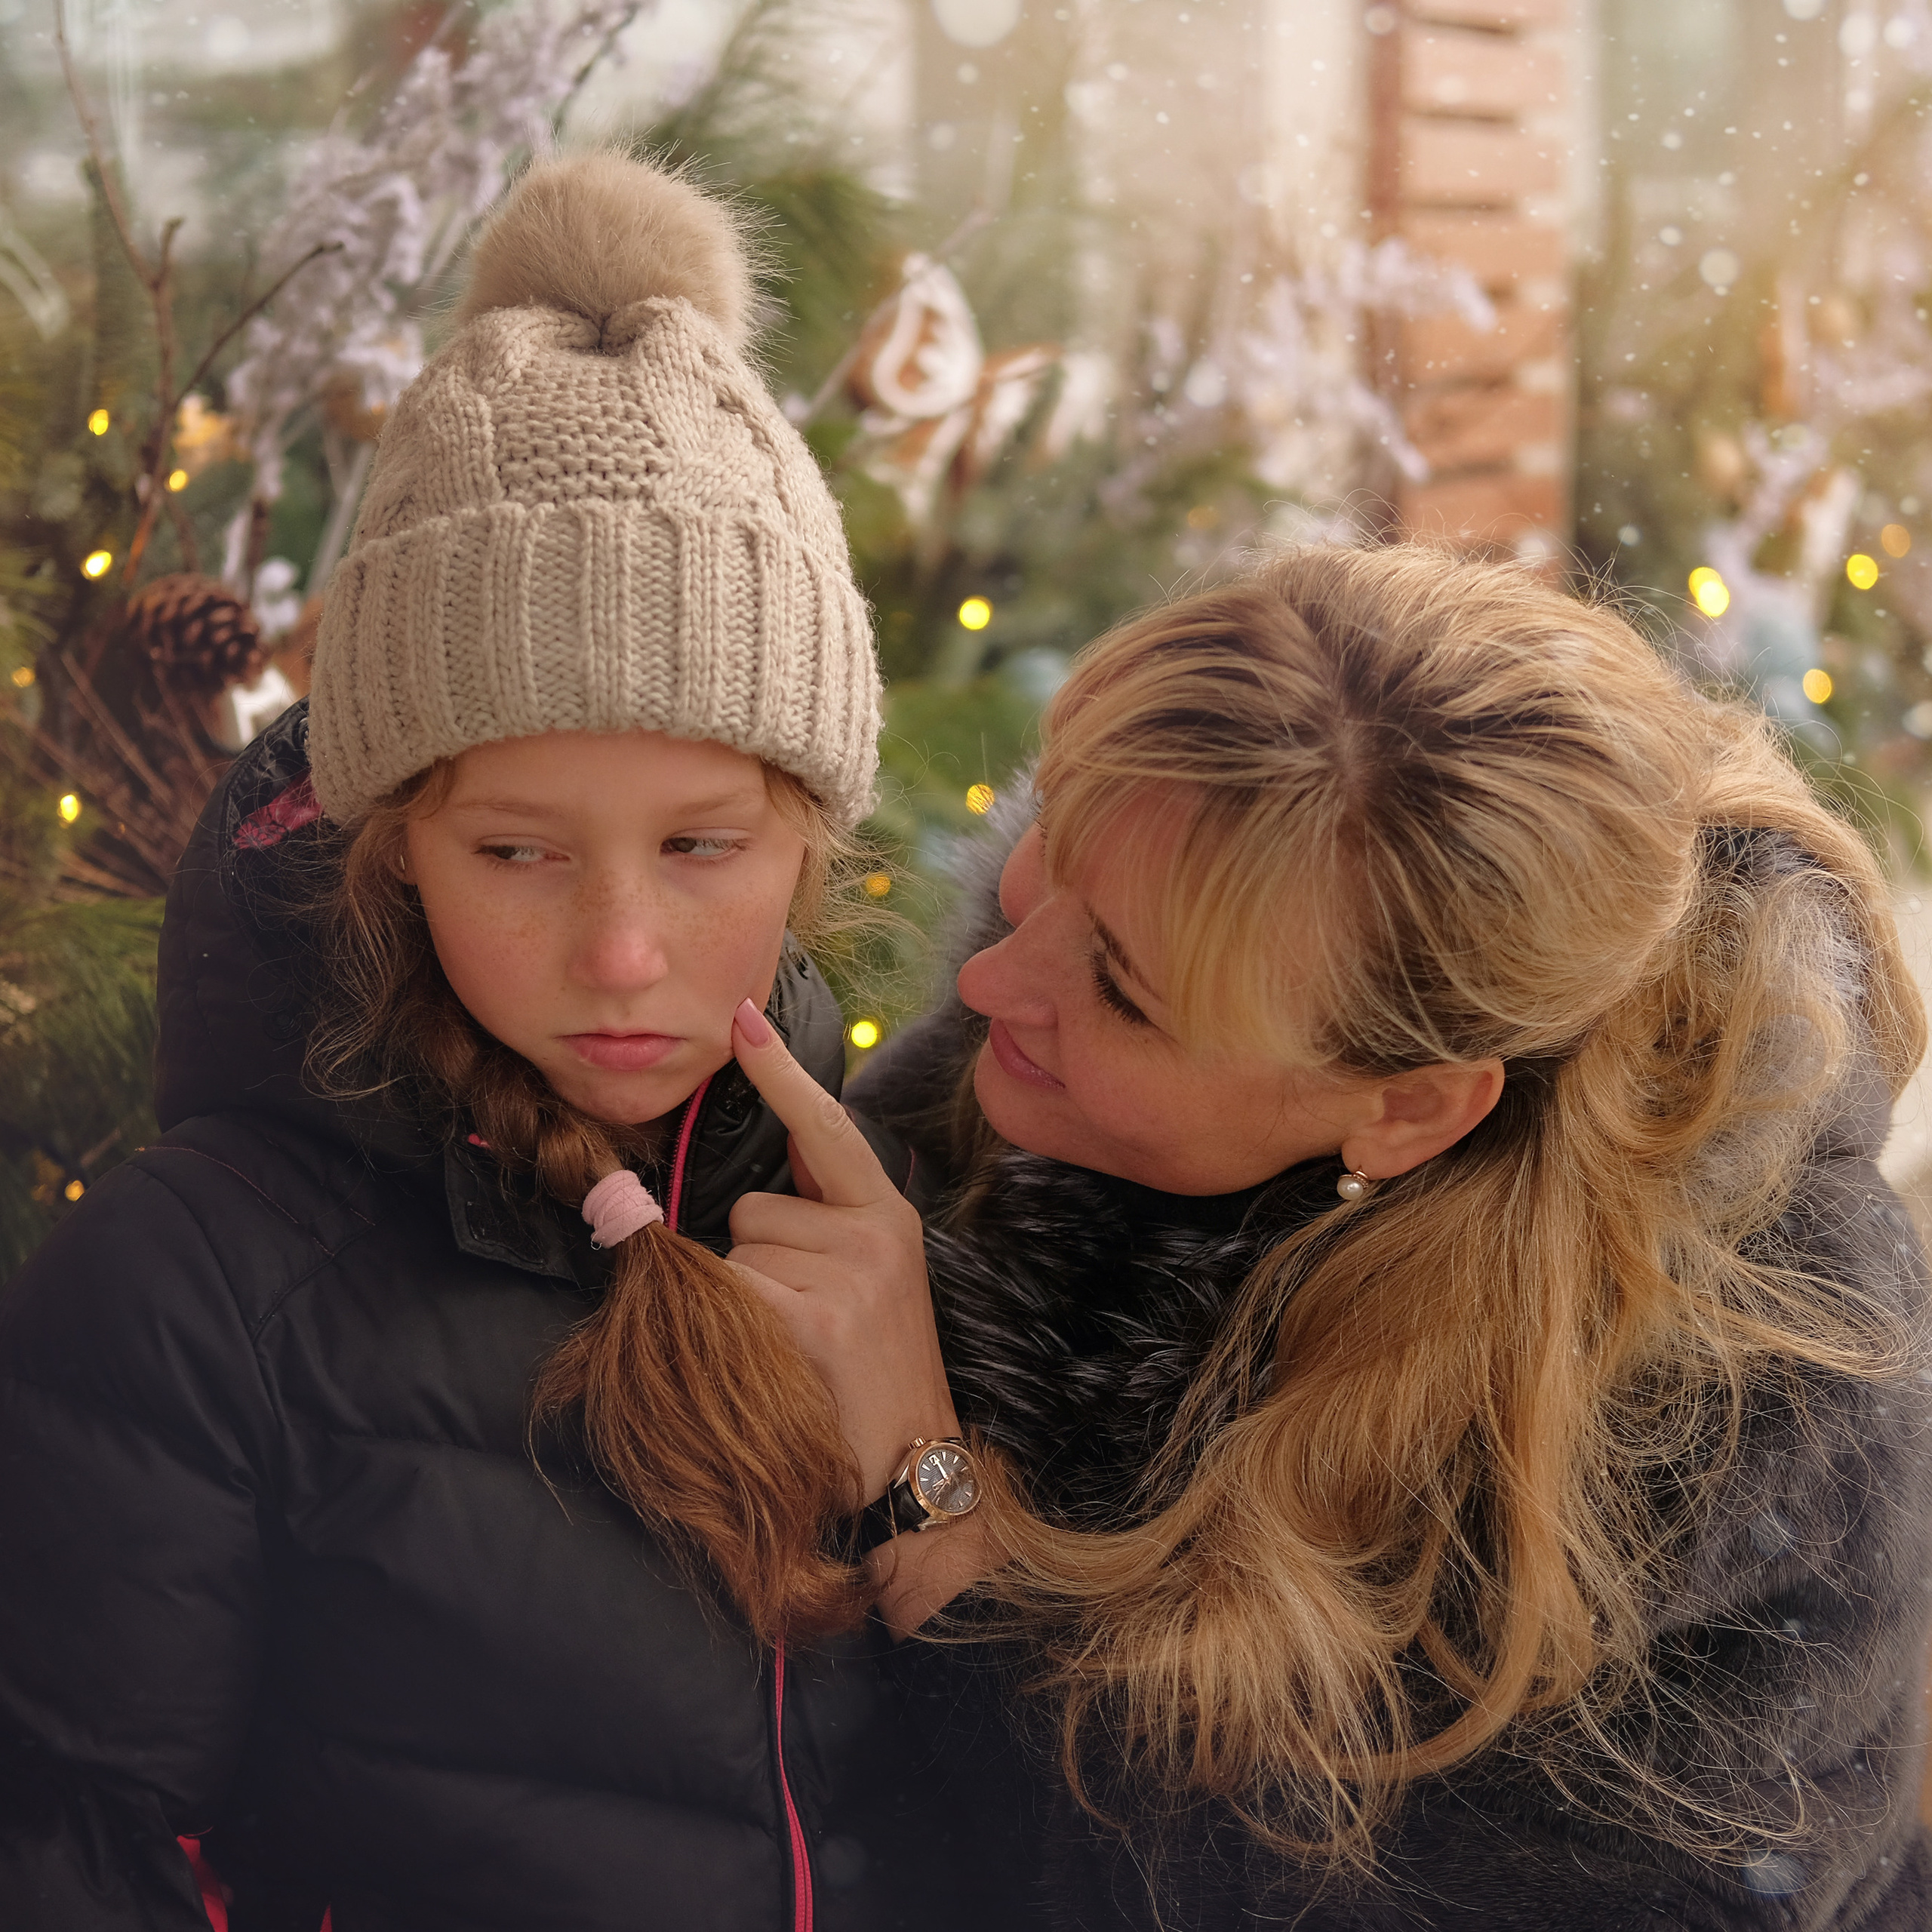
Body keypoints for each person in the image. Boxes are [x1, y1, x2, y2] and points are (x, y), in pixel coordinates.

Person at [0, 152, 990, 1931]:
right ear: (394, 846)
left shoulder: (910, 1219)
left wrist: (923, 1455)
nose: (619, 951)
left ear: (810, 844)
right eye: (516, 851)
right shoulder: (198, 1289)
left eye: (701, 845)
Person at [726, 543, 1932, 1928]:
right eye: (1055, 848)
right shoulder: (1122, 979)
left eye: (1124, 992)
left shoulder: (1739, 1407)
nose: (998, 975)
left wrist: (925, 1493)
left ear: (1407, 1109)